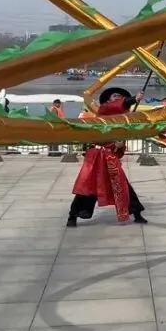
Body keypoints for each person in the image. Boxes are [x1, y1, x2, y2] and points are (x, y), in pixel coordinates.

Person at [67, 87, 147, 227]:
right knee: (88, 187)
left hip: (110, 158)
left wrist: (120, 145)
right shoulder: (104, 109)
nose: (118, 98)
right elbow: (115, 106)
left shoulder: (123, 120)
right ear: (108, 100)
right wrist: (133, 99)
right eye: (115, 96)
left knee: (123, 186)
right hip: (97, 157)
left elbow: (120, 147)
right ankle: (73, 216)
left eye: (120, 96)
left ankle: (136, 213)